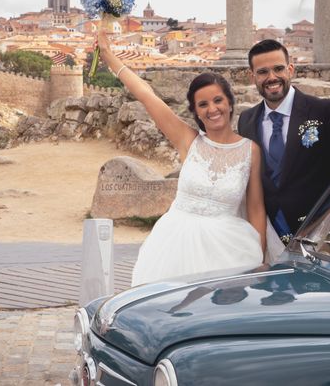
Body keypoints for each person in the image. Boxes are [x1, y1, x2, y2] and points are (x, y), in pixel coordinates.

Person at [95, 30, 276, 286]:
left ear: (230, 103)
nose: (212, 109)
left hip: (228, 250)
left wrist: (259, 258)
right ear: (196, 112)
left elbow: (257, 208)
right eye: (203, 105)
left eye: (217, 100)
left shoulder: (250, 150)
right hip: (175, 245)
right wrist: (108, 56)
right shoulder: (188, 140)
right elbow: (147, 96)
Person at [237, 39, 330, 240]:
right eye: (263, 72)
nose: (272, 77)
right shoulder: (246, 121)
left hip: (320, 234)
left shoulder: (325, 112)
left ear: (290, 70)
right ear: (252, 76)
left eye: (278, 69)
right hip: (266, 234)